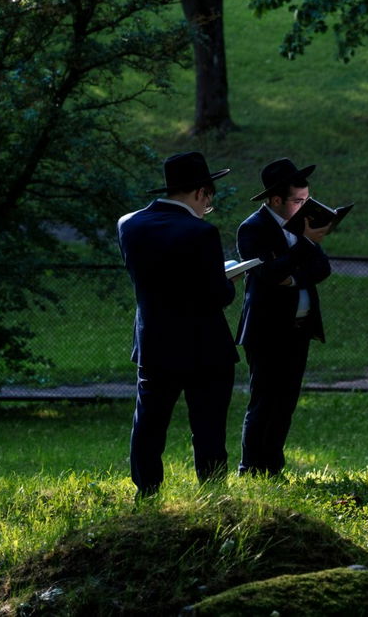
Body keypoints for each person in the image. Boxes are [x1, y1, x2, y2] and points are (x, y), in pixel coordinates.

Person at [117, 151, 237, 499]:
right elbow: (215, 294)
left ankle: (147, 491)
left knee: (149, 425)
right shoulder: (201, 232)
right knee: (208, 428)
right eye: (208, 201)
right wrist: (229, 282)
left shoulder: (129, 224)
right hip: (204, 345)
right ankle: (213, 495)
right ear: (201, 193)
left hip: (154, 341)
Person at [234, 158, 333, 477]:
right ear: (276, 200)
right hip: (267, 329)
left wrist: (293, 276)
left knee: (287, 400)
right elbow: (266, 273)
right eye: (299, 202)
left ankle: (272, 465)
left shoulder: (300, 229)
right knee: (264, 398)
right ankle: (250, 465)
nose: (305, 208)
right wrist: (303, 247)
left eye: (308, 201)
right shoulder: (253, 228)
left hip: (299, 327)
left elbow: (322, 269)